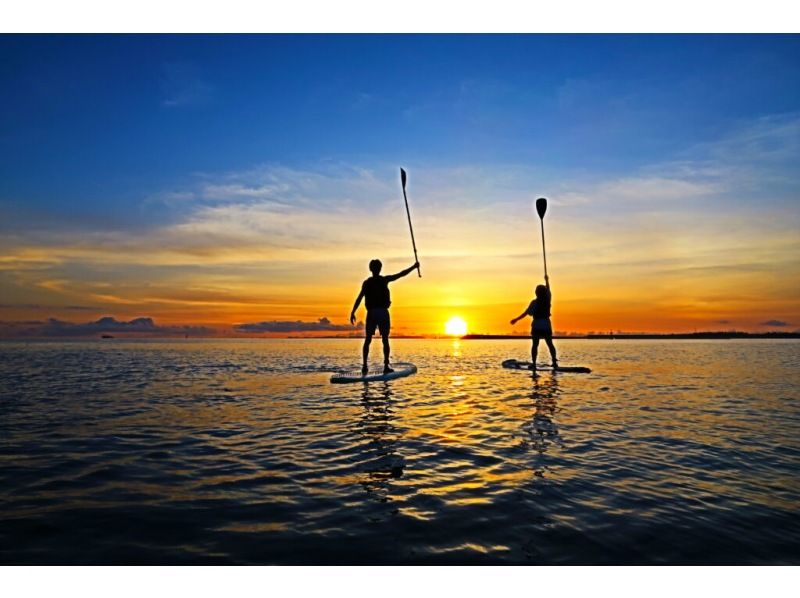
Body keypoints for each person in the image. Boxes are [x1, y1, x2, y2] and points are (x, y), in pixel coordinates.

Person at [350, 259, 420, 375]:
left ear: (370, 269)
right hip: (382, 312)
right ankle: (386, 365)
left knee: (368, 340)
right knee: (385, 340)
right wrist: (413, 267)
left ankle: (365, 366)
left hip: (372, 313)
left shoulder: (367, 283)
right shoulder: (383, 280)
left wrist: (353, 311)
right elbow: (401, 274)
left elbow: (359, 298)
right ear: (380, 269)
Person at [510, 274, 558, 370]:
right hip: (546, 325)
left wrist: (516, 319)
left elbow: (526, 313)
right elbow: (548, 289)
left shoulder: (534, 302)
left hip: (537, 325)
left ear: (536, 293)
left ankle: (534, 364)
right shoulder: (548, 300)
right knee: (550, 344)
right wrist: (547, 280)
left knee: (535, 345)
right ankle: (554, 362)